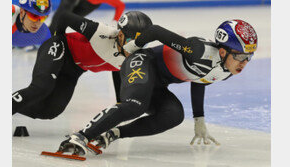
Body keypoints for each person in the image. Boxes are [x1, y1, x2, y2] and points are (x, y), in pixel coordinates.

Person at [56, 19, 258, 156]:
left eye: (249, 57)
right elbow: (155, 31)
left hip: (158, 84)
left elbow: (200, 79)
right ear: (222, 52)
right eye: (240, 56)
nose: (244, 63)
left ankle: (112, 134)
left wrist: (199, 119)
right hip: (143, 62)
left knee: (174, 115)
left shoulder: (227, 71)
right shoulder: (198, 51)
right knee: (135, 104)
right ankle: (80, 136)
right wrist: (132, 48)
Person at [12, 11, 153, 120]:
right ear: (120, 35)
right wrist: (56, 39)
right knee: (41, 88)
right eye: (131, 41)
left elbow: (119, 70)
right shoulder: (102, 32)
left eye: (140, 43)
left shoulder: (135, 56)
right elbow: (64, 17)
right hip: (61, 47)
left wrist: (120, 101)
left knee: (50, 110)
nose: (134, 47)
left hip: (73, 70)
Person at [49, 0, 125, 35]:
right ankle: (48, 34)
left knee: (68, 19)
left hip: (89, 4)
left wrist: (115, 21)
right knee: (61, 13)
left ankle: (56, 36)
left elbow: (120, 5)